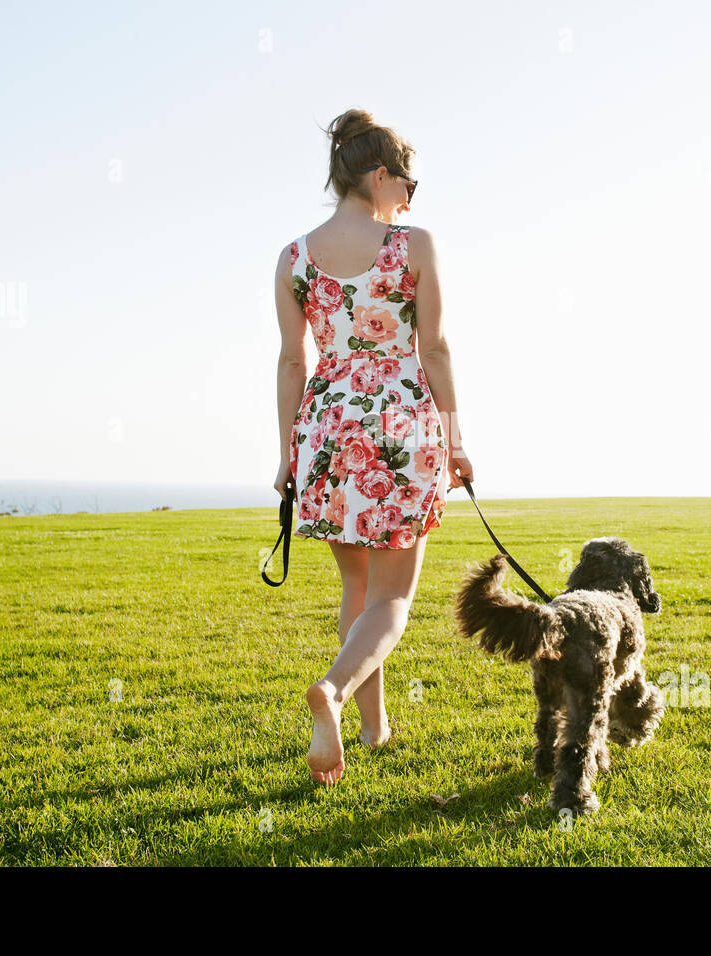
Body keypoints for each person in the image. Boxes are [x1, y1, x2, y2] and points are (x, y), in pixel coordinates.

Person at [272, 108, 474, 785]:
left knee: (356, 586)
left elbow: (292, 365)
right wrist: (455, 439)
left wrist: (286, 456)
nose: (411, 200)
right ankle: (331, 691)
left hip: (326, 429)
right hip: (399, 427)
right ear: (381, 175)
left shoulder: (294, 258)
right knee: (392, 600)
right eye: (408, 184)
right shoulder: (413, 246)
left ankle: (372, 726)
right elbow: (435, 348)